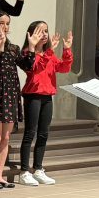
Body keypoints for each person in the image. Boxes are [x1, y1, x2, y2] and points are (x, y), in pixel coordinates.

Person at [0, 13, 37, 188]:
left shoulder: (14, 48)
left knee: (6, 137)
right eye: (0, 23)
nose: (4, 27)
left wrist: (31, 46)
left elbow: (28, 66)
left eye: (7, 24)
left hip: (10, 94)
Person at [18, 23, 73, 186]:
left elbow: (63, 68)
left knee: (43, 134)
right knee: (30, 133)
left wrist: (67, 50)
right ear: (31, 34)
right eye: (40, 31)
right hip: (33, 96)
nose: (44, 34)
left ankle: (38, 169)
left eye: (46, 31)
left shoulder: (49, 54)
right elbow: (35, 67)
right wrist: (48, 52)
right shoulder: (28, 53)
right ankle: (24, 171)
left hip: (47, 96)